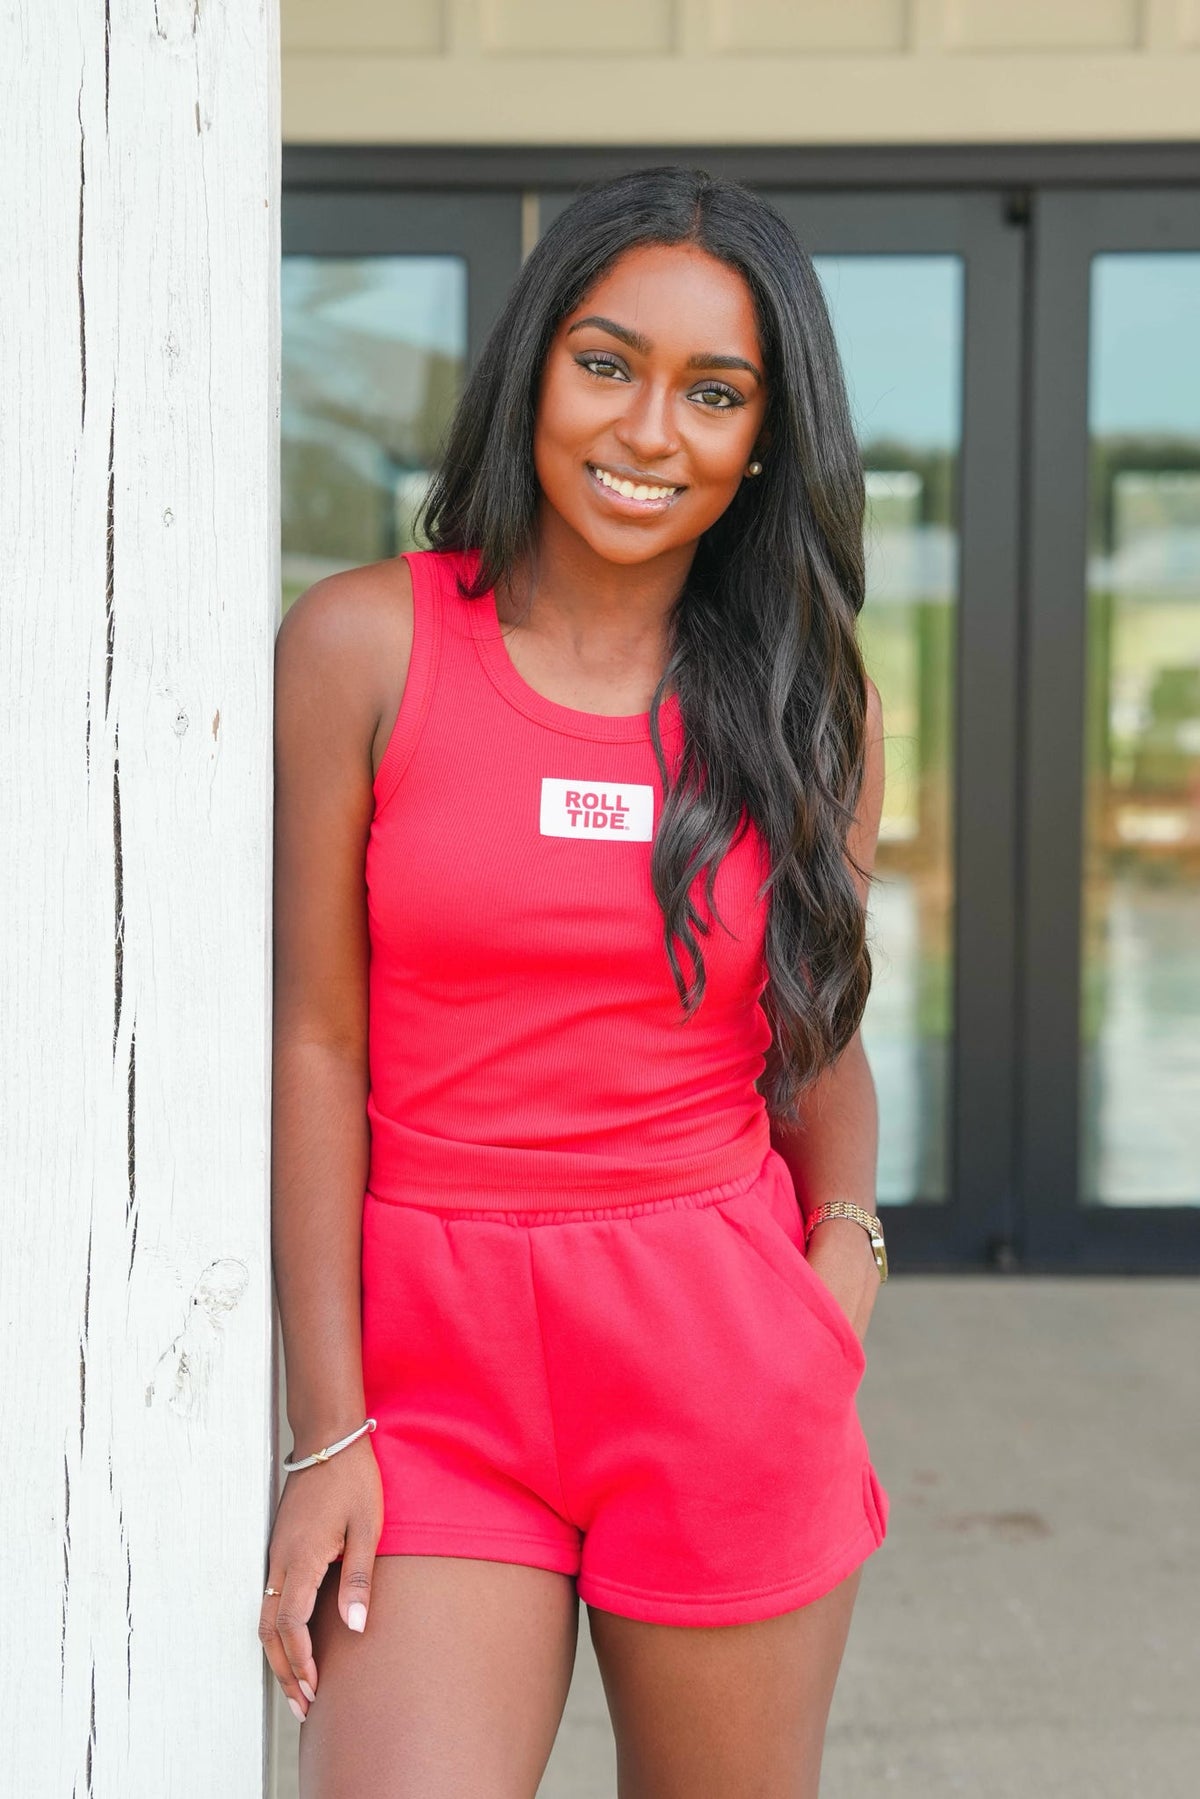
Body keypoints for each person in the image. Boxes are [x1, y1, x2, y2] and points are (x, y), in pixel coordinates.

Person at [261, 164, 890, 1798]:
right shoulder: (361, 648)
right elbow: (318, 1041)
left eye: (714, 392)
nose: (648, 430)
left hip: (718, 1360)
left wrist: (843, 1269)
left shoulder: (810, 707)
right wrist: (326, 1427)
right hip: (432, 1374)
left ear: (763, 441)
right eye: (607, 362)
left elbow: (817, 1036)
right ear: (534, 366)